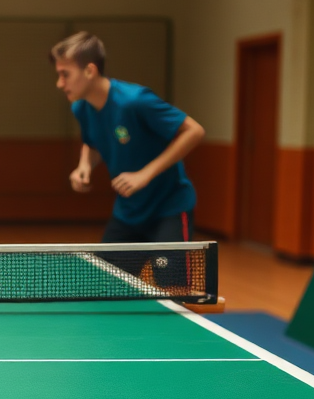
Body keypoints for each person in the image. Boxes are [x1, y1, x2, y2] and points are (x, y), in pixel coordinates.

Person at [51, 32, 204, 243]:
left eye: (65, 74)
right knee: (104, 276)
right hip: (128, 211)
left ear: (89, 71)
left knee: (171, 278)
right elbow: (92, 143)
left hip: (170, 208)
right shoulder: (81, 108)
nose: (59, 83)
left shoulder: (135, 101)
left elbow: (194, 131)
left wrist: (145, 174)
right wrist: (84, 165)